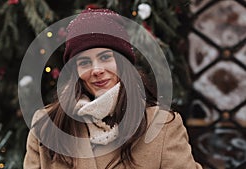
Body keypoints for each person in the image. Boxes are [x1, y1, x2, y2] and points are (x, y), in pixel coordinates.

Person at [23, 8, 203, 169]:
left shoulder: (162, 126)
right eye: (85, 62)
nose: (97, 70)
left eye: (105, 57)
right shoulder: (46, 126)